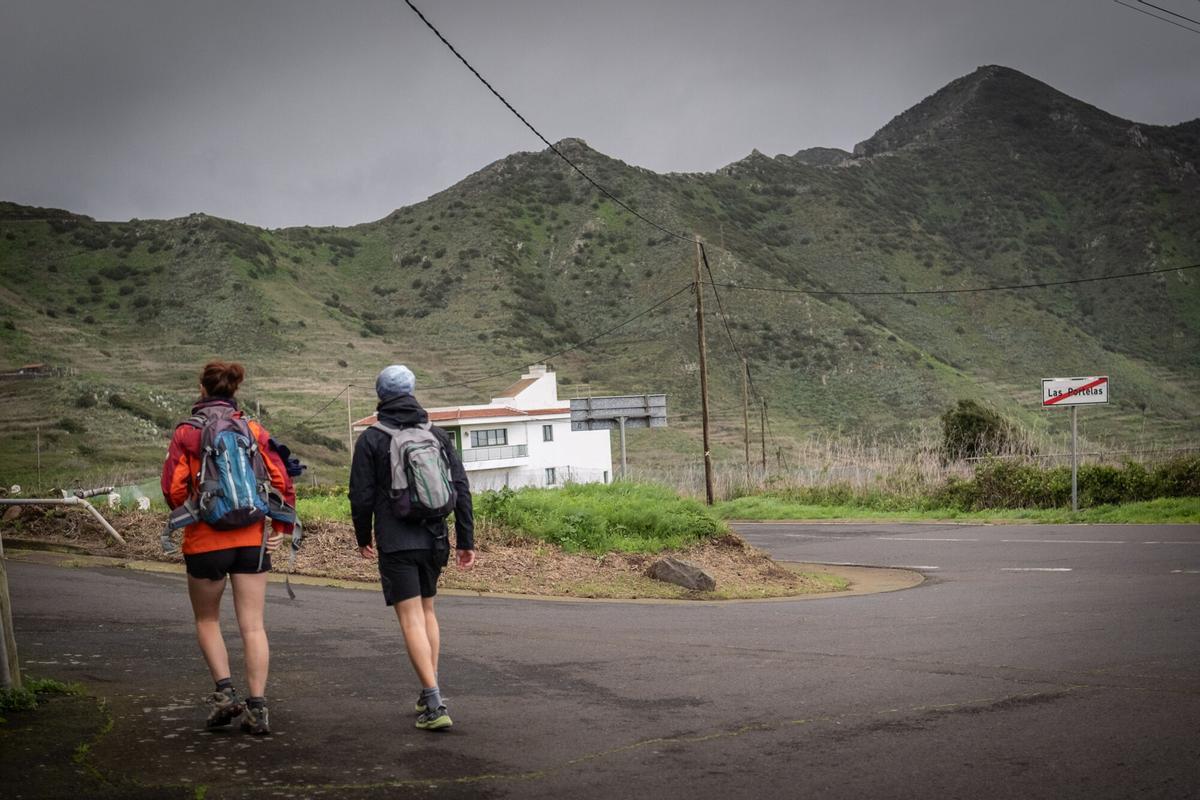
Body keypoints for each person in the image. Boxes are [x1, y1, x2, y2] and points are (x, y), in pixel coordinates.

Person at [161, 361, 296, 735]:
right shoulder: (251, 428)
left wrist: (194, 509)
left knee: (207, 620)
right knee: (253, 625)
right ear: (234, 391)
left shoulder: (187, 432)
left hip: (205, 540)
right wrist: (281, 526)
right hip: (252, 539)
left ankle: (224, 695)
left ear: (202, 389)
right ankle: (258, 708)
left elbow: (173, 488)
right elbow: (280, 477)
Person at [349, 364, 475, 730]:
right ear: (412, 391)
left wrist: (363, 537)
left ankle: (434, 702)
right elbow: (461, 487)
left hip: (396, 540)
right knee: (428, 612)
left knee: (410, 618)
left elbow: (361, 496)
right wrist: (465, 539)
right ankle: (428, 691)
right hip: (435, 538)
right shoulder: (434, 433)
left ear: (381, 396)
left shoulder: (372, 439)